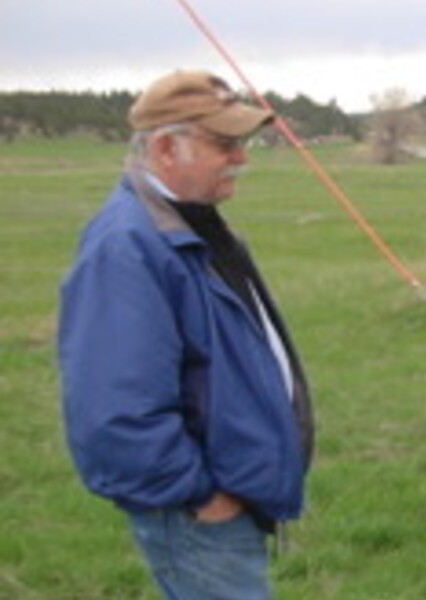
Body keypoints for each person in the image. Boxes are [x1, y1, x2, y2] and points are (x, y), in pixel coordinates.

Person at [58, 70, 314, 600]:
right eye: (224, 144)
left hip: (228, 502)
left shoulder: (196, 226)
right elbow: (115, 413)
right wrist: (201, 498)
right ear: (165, 149)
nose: (240, 158)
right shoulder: (126, 247)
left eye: (241, 143)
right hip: (198, 517)